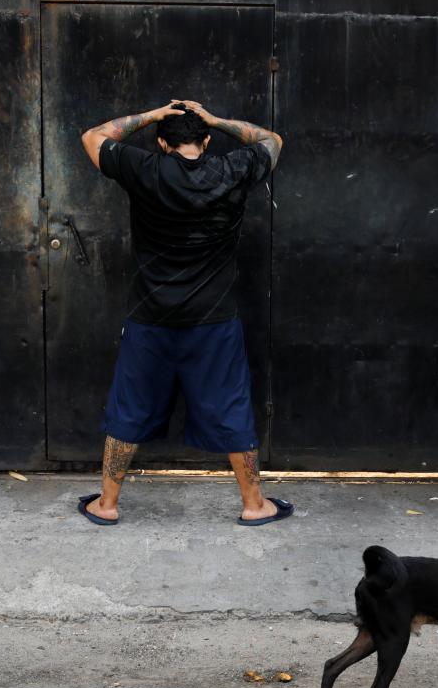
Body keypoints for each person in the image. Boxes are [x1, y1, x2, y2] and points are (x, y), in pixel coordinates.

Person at [75, 99, 293, 527]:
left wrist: (152, 114)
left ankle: (107, 505)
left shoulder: (144, 167)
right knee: (231, 407)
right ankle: (253, 505)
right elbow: (273, 140)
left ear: (161, 143)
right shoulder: (230, 169)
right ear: (206, 141)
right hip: (213, 318)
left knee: (129, 406)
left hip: (150, 315)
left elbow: (92, 137)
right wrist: (218, 118)